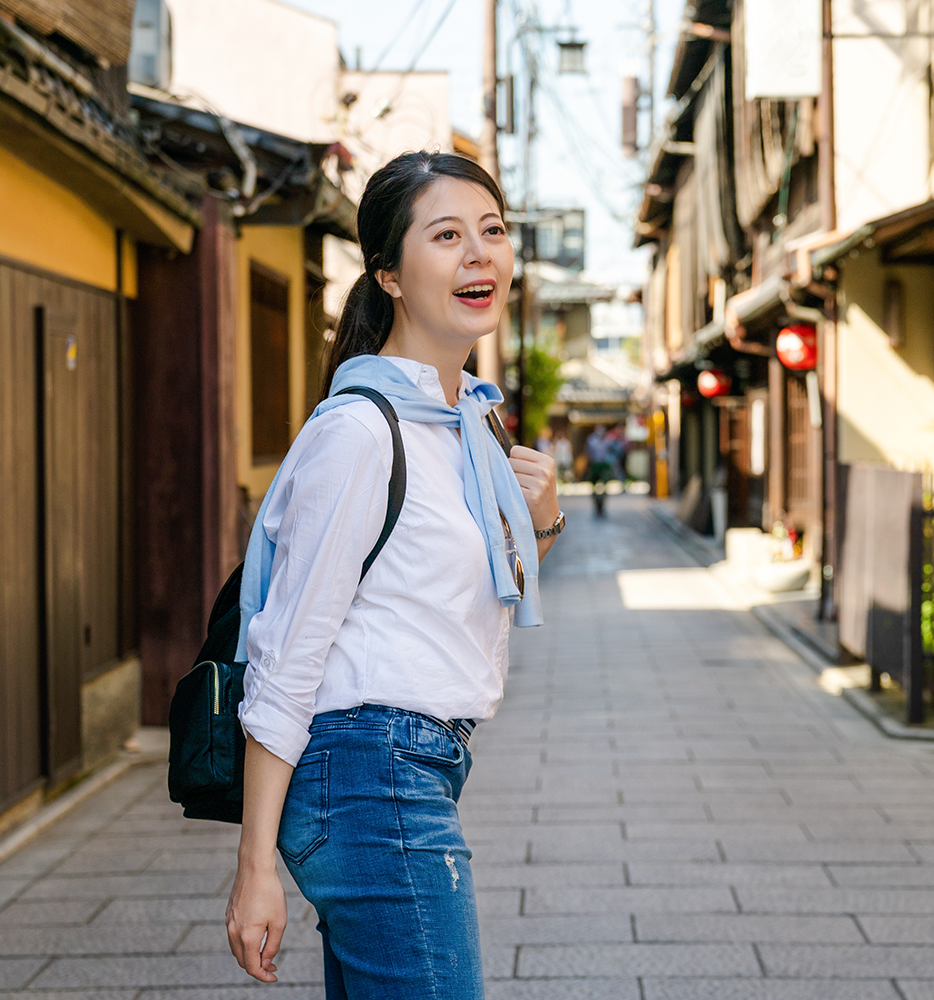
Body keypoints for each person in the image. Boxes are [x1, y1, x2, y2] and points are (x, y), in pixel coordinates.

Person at [224, 151, 564, 1000]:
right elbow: (287, 649)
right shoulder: (362, 433)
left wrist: (542, 518)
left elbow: (457, 599)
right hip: (369, 772)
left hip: (415, 766)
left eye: (492, 231)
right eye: (446, 235)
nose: (479, 254)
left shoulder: (464, 426)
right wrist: (254, 864)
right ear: (390, 274)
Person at [586, 424, 613, 517]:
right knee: (594, 488)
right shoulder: (591, 440)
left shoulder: (608, 440)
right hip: (595, 465)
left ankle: (603, 506)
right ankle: (596, 506)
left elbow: (612, 452)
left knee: (604, 487)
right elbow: (588, 453)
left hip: (604, 465)